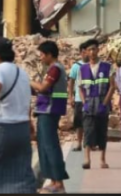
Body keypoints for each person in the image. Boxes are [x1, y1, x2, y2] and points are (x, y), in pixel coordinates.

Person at [0, 37, 36, 194]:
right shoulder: (22, 73)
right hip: (22, 128)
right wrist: (29, 123)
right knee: (21, 170)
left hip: (3, 127)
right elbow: (27, 100)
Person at [30, 40, 69, 194]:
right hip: (45, 110)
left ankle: (58, 183)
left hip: (50, 110)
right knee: (44, 146)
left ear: (49, 54)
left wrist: (29, 81)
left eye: (42, 54)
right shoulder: (51, 69)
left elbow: (43, 87)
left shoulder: (55, 69)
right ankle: (53, 181)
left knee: (50, 146)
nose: (40, 57)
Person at [78, 38, 115, 170]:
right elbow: (80, 88)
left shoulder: (107, 67)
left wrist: (104, 103)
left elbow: (112, 86)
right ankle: (87, 159)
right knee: (88, 130)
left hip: (101, 102)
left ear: (98, 50)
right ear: (86, 52)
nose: (92, 52)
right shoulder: (82, 69)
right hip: (89, 104)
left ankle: (102, 159)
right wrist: (84, 103)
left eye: (94, 49)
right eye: (89, 50)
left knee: (102, 131)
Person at [67, 49, 89, 152]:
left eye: (87, 52)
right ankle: (79, 143)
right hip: (79, 99)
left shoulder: (93, 65)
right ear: (81, 53)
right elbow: (71, 82)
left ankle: (89, 143)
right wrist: (70, 97)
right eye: (83, 52)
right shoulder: (76, 66)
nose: (86, 54)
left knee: (90, 122)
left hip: (91, 98)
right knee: (79, 123)